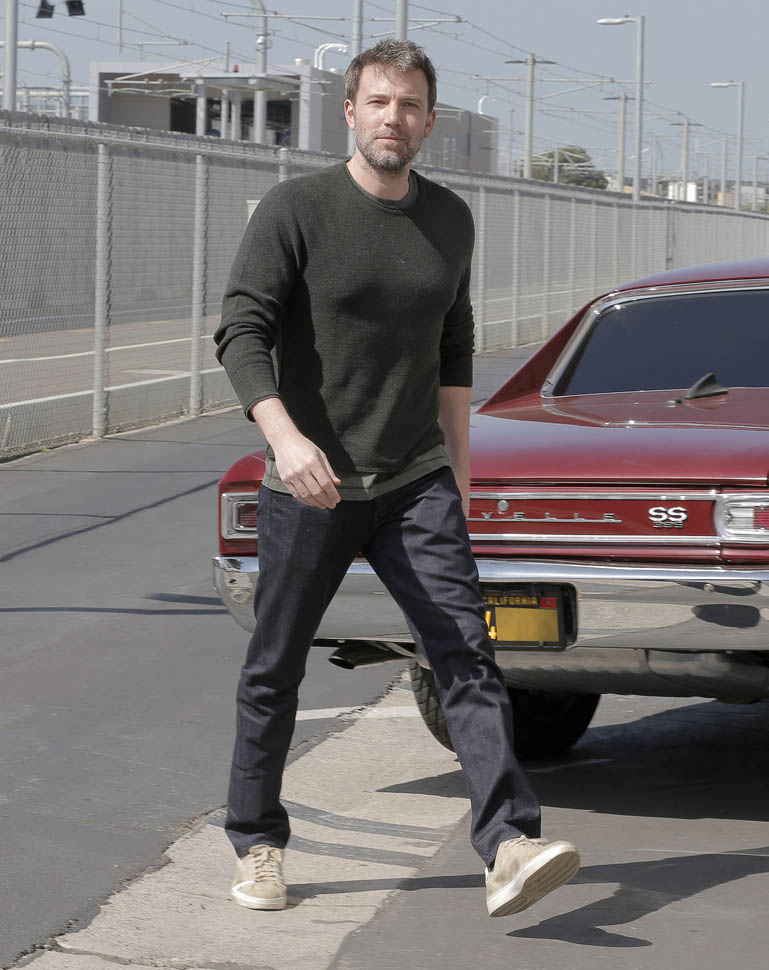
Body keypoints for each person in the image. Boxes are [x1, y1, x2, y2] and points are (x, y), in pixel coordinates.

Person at [214, 38, 580, 918]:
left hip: (415, 481)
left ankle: (508, 845)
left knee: (466, 654)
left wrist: (459, 476)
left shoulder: (448, 218)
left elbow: (452, 352)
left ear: (428, 121)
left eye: (410, 104)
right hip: (310, 486)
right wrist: (283, 438)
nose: (394, 118)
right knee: (273, 669)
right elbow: (241, 332)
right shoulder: (297, 209)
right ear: (350, 111)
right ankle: (258, 844)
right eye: (378, 101)